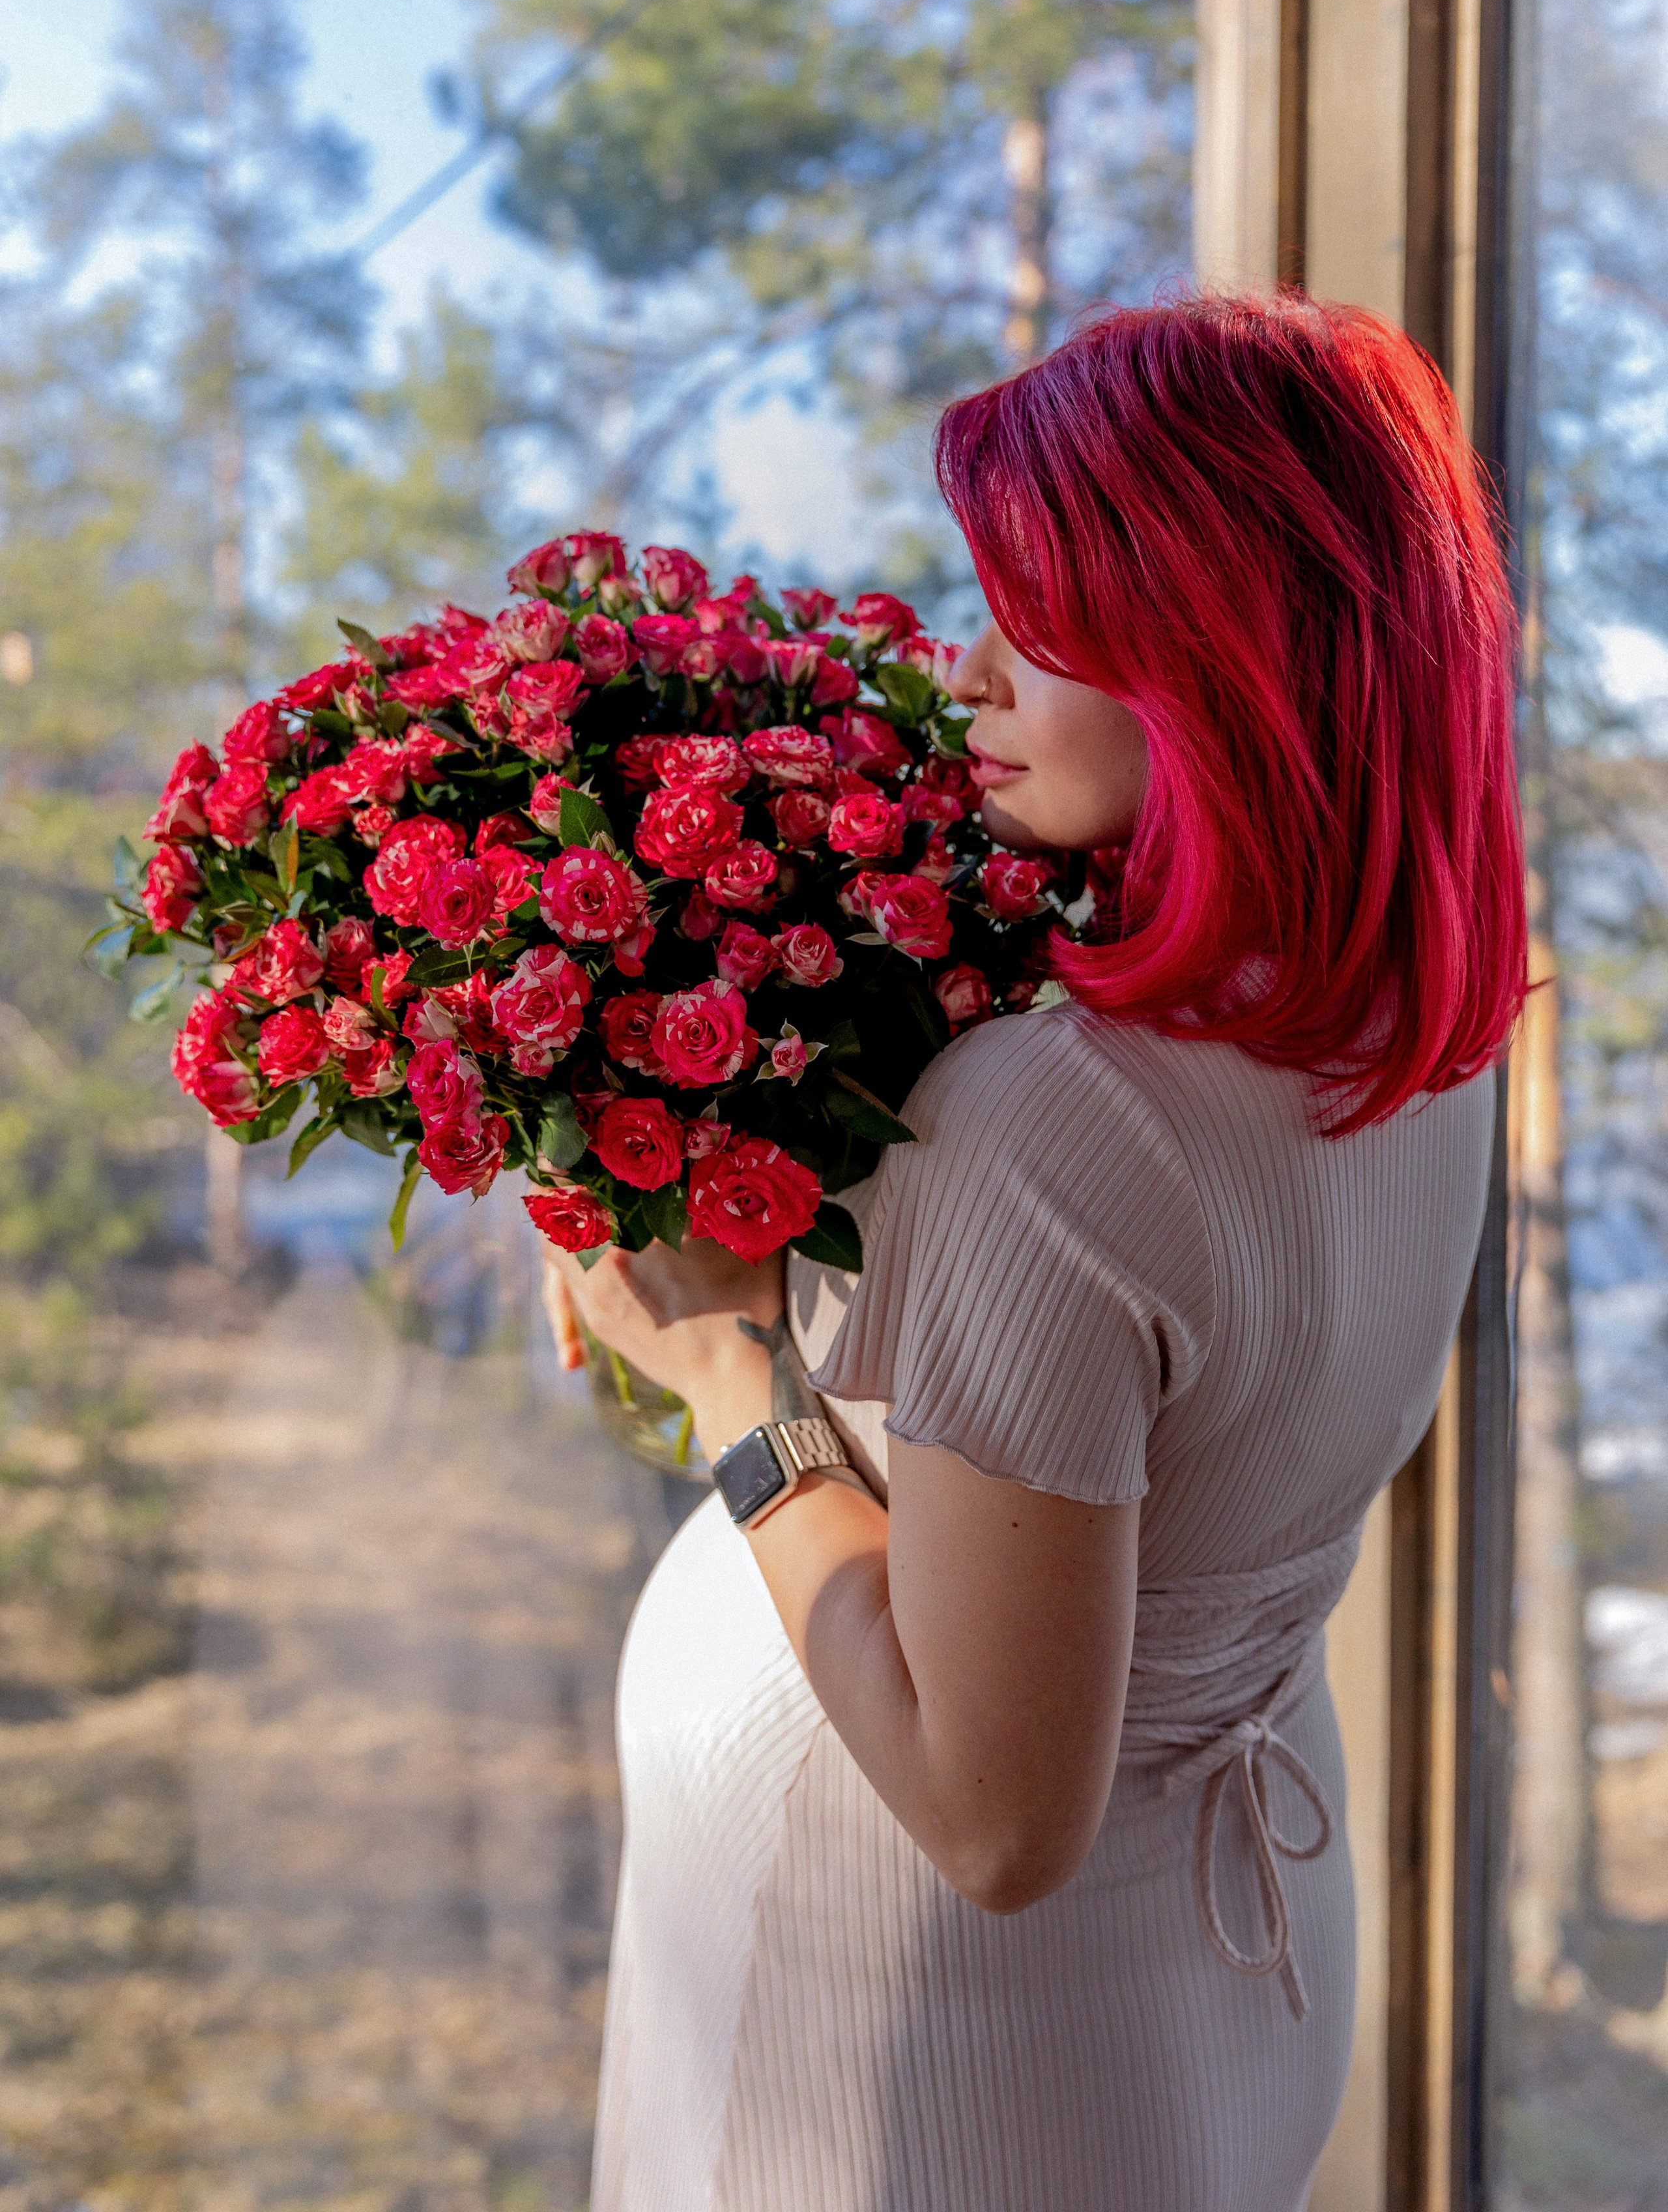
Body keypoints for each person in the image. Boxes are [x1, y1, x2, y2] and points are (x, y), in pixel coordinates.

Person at [547, 294, 1527, 2212]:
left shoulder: (1056, 1124)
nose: (974, 676)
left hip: (925, 2070)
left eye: (1044, 620)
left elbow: (996, 1822)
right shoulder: (1427, 1033)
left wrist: (731, 1382)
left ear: (1216, 658)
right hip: (1223, 1977)